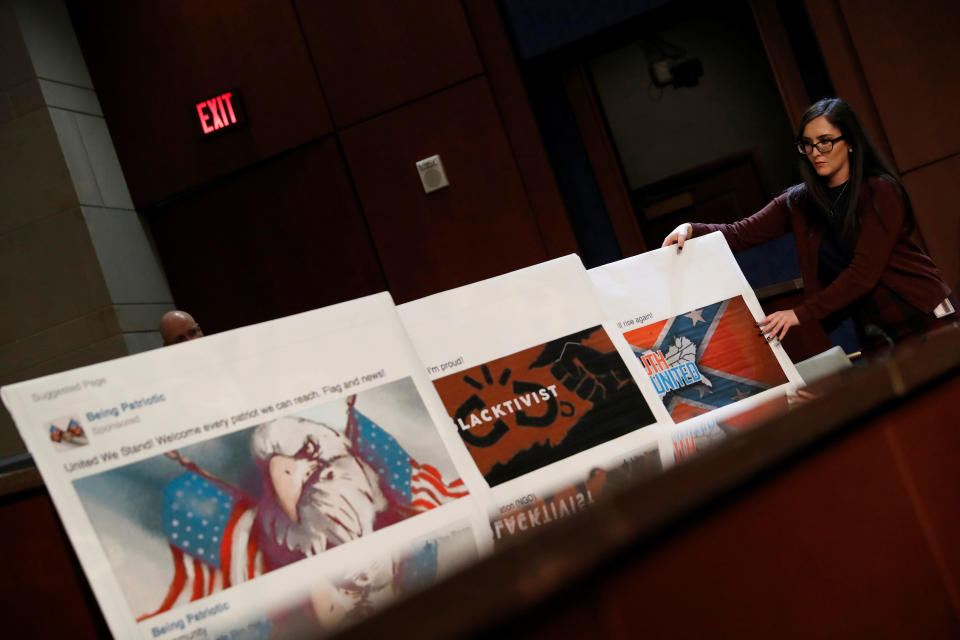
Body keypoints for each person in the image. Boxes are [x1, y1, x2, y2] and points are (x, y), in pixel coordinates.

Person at [662, 97, 955, 351]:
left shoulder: (880, 190)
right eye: (808, 144)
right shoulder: (799, 201)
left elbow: (864, 272)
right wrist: (691, 228)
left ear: (850, 142)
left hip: (919, 309)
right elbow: (740, 234)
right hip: (872, 323)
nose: (816, 152)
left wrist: (799, 313)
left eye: (825, 142)